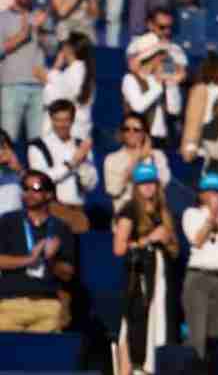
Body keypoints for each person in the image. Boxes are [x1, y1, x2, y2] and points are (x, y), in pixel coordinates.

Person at [111, 161, 177, 375]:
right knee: (135, 323)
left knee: (157, 324)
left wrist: (167, 241)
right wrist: (148, 239)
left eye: (151, 183)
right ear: (136, 186)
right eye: (142, 184)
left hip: (160, 273)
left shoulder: (163, 211)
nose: (147, 188)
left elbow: (174, 248)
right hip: (138, 274)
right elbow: (119, 248)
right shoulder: (129, 210)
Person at [0, 170, 75, 334]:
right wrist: (29, 259)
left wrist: (50, 260)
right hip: (11, 303)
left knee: (45, 358)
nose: (28, 193)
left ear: (48, 194)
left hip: (47, 305)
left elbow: (68, 274)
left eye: (35, 188)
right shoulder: (8, 221)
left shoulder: (61, 228)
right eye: (25, 188)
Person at [180, 172, 218, 359]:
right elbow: (196, 240)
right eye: (211, 192)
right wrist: (210, 219)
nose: (216, 196)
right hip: (199, 277)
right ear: (202, 195)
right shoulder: (192, 214)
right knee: (196, 335)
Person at [27, 99, 95, 231]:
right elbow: (41, 180)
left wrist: (83, 165)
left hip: (77, 210)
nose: (62, 125)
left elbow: (90, 184)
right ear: (51, 120)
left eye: (66, 120)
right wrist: (72, 162)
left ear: (72, 120)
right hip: (52, 209)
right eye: (57, 120)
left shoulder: (81, 145)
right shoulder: (38, 146)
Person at [0, 0, 46, 147]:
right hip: (12, 86)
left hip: (39, 87)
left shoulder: (40, 17)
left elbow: (52, 48)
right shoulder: (2, 18)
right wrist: (22, 35)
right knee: (7, 141)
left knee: (39, 143)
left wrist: (40, 31)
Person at [103, 114, 169, 211]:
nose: (131, 133)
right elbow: (113, 191)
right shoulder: (112, 159)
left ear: (145, 133)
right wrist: (136, 160)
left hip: (152, 213)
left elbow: (164, 182)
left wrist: (149, 157)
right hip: (125, 216)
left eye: (136, 129)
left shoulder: (157, 156)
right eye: (126, 129)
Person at [41, 33, 92, 146]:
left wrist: (55, 67)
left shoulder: (73, 72)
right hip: (80, 128)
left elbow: (51, 98)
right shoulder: (82, 71)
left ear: (69, 49)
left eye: (65, 45)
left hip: (69, 130)